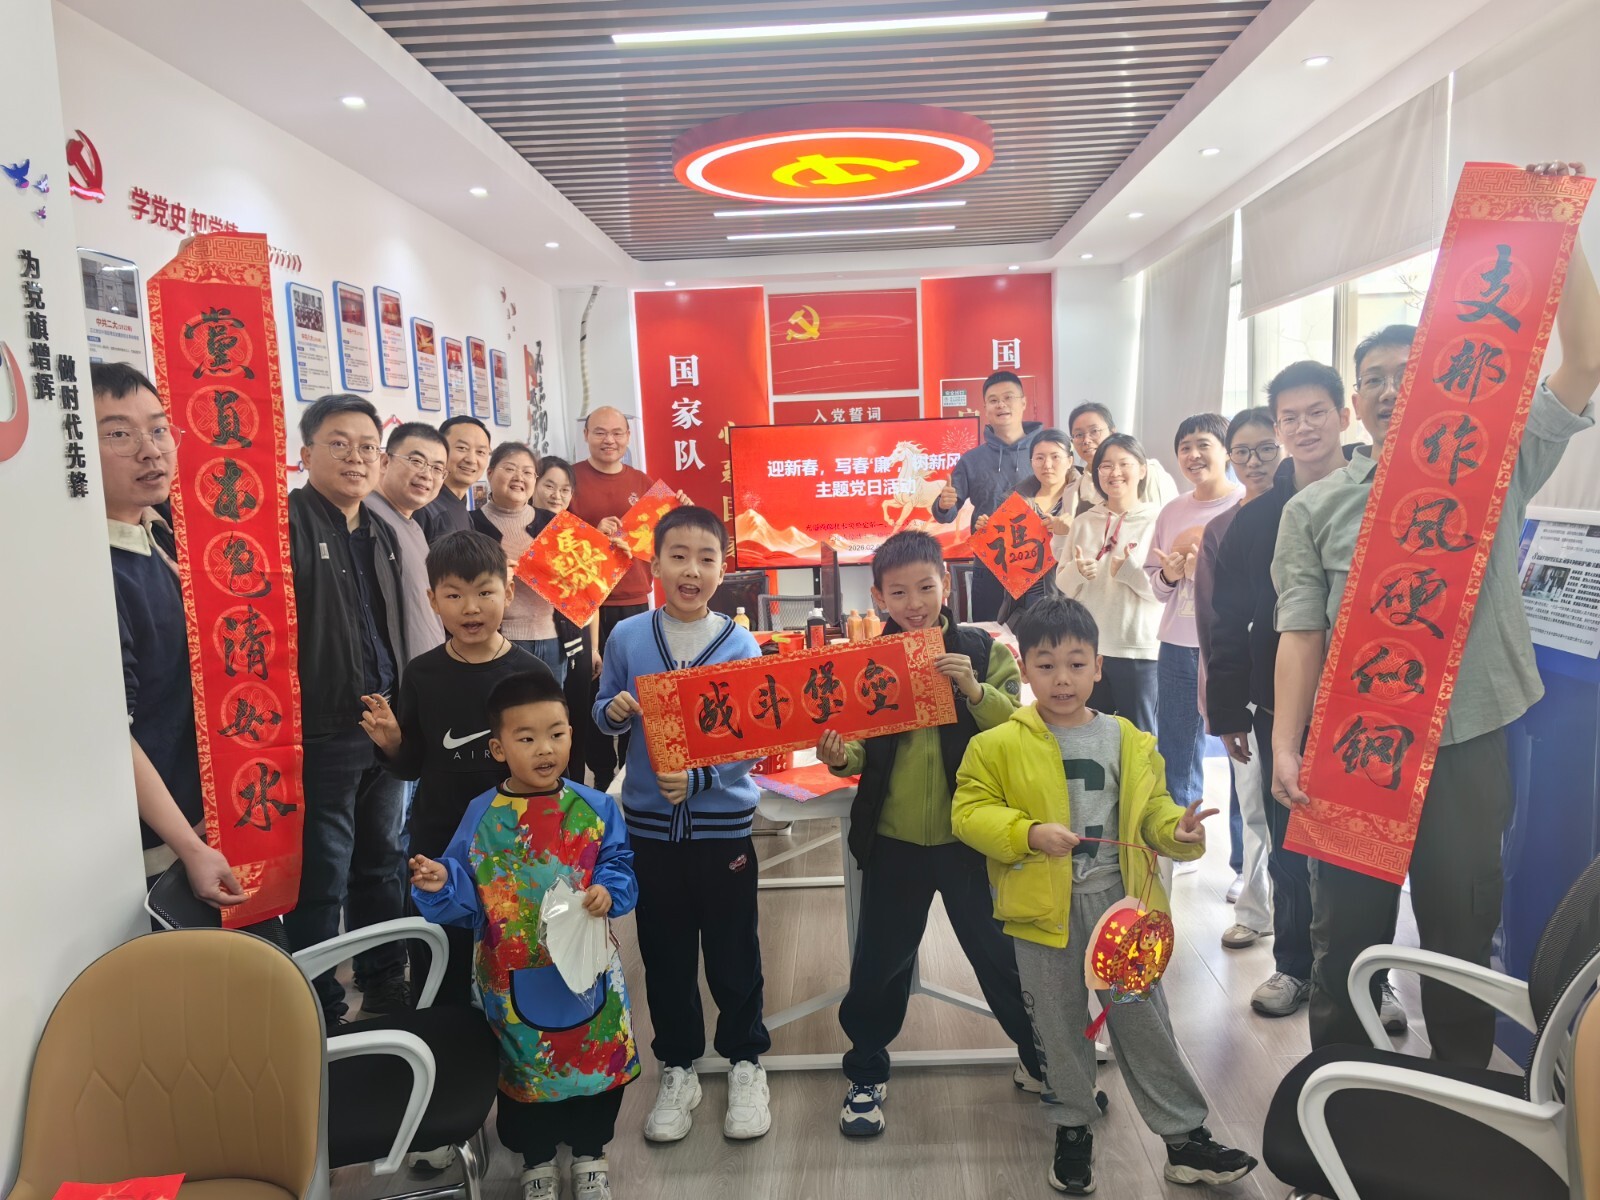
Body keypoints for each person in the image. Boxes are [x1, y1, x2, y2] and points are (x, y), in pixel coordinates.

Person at [1272, 167, 1598, 1065]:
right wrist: (1289, 744)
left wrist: (1559, 231)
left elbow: (1584, 361)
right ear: (1355, 402)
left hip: (1468, 736)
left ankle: (1461, 1093)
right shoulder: (1315, 509)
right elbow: (1301, 632)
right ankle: (1341, 1097)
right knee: (1346, 937)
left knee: (1461, 925)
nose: (1387, 390)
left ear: (1441, 375)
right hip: (1356, 742)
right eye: (1370, 380)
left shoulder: (1495, 464)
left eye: (1403, 371)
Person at [950, 596, 1257, 1194]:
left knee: (1144, 1020)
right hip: (1041, 913)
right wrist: (1027, 833)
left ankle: (1185, 1138)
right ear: (1024, 670)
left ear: (1098, 667)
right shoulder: (997, 745)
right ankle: (1072, 1126)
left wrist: (1176, 832)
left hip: (1119, 909)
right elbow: (968, 811)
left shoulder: (1128, 740)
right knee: (1057, 1024)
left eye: (1075, 663)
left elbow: (1153, 813)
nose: (1062, 679)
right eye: (1046, 666)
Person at [814, 529, 1041, 1137]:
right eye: (898, 592)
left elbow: (1019, 729)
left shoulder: (982, 650)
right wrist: (838, 756)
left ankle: (1041, 1057)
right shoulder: (867, 662)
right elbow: (858, 748)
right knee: (879, 964)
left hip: (972, 840)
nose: (914, 603)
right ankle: (866, 1071)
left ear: (946, 584)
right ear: (878, 597)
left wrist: (974, 689)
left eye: (925, 587)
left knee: (1000, 955)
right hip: (893, 842)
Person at [410, 670, 637, 1200]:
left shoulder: (596, 807)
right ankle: (536, 1162)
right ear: (498, 748)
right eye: (527, 738)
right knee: (521, 1067)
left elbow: (620, 863)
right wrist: (442, 881)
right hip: (509, 976)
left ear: (572, 734)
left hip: (588, 971)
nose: (545, 749)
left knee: (594, 1063)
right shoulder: (482, 815)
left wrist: (607, 889)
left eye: (556, 734)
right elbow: (466, 889)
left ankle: (590, 1154)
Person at [592, 506, 772, 1143]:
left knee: (733, 950)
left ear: (723, 570)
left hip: (722, 827)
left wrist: (703, 779)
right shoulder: (628, 637)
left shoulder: (740, 645)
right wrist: (613, 712)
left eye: (705, 558)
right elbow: (601, 710)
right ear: (655, 565)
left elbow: (755, 735)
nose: (691, 570)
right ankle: (678, 1066)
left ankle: (746, 1061)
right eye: (678, 556)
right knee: (664, 953)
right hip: (648, 827)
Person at [1206, 363, 1369, 1021]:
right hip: (1283, 705)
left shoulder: (1379, 498)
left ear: (1343, 415)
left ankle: (1371, 980)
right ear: (1278, 428)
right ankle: (1295, 967)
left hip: (1370, 705)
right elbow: (1227, 621)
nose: (1304, 428)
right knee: (1292, 847)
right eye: (1290, 418)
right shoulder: (1255, 521)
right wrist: (1228, 708)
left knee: (1365, 853)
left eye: (1317, 413)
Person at [358, 530, 551, 1006]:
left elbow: (551, 768)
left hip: (513, 838)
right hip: (440, 840)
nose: (470, 608)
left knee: (514, 950)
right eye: (454, 595)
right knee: (440, 951)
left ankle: (513, 1042)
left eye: (484, 592)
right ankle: (441, 1039)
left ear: (508, 592)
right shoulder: (422, 674)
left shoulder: (531, 674)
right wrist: (393, 743)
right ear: (432, 600)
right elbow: (412, 766)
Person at [93, 362, 244, 908]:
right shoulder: (93, 570)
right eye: (118, 434)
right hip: (152, 848)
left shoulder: (159, 536)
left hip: (200, 813)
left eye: (158, 429)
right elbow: (111, 731)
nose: (150, 450)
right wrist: (188, 845)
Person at [285, 393, 411, 1023]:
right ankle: (320, 1007)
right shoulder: (285, 523)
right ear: (305, 453)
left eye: (367, 447)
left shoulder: (380, 532)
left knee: (381, 865)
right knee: (323, 876)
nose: (355, 458)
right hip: (321, 731)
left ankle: (384, 984)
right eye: (338, 444)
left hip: (383, 725)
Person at [1194, 409, 1279, 953]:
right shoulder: (1221, 528)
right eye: (1243, 452)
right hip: (1247, 690)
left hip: (1306, 687)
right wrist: (1219, 700)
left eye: (1266, 449)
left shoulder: (1307, 506)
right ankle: (1255, 908)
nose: (1255, 461)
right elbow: (1213, 623)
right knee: (1254, 805)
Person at [1145, 414, 1242, 826]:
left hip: (1230, 646)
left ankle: (1243, 853)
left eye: (1203, 444)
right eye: (1185, 447)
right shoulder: (1172, 511)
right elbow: (1157, 586)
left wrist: (1205, 572)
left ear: (1226, 451)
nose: (1193, 455)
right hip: (1177, 646)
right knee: (1177, 749)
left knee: (1243, 752)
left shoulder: (1245, 503)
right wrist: (1170, 575)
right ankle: (1181, 835)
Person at [568, 406, 654, 791]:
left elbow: (658, 540)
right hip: (587, 603)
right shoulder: (570, 479)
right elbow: (554, 538)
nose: (609, 440)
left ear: (628, 437)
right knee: (594, 689)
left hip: (635, 598)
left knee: (636, 686)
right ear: (586, 435)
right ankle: (601, 775)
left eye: (617, 433)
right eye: (600, 432)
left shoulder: (642, 482)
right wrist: (593, 532)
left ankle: (631, 769)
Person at [1055, 434, 1163, 733]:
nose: (1115, 472)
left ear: (1142, 469)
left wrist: (1130, 572)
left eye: (1124, 464)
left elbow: (1163, 591)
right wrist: (1077, 571)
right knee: (1092, 731)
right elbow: (1063, 583)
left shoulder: (1158, 520)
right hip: (1088, 648)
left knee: (1140, 736)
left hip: (1137, 648)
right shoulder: (1084, 521)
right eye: (1106, 466)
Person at [930, 370, 1042, 621]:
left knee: (1040, 638)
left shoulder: (1044, 452)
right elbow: (946, 513)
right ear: (985, 409)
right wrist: (944, 504)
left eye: (1008, 397)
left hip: (1038, 568)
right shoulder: (971, 460)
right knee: (990, 638)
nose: (1001, 404)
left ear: (1023, 402)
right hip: (990, 567)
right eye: (993, 400)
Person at [470, 442, 568, 682]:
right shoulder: (471, 524)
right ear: (490, 473)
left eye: (527, 472)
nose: (519, 477)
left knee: (551, 705)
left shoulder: (552, 522)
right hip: (501, 639)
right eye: (510, 468)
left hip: (553, 638)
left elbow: (579, 580)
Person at [366, 422, 449, 662]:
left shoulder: (413, 524)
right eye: (416, 461)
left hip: (426, 670)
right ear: (385, 462)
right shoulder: (367, 518)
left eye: (437, 468)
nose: (426, 474)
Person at [998, 428, 1078, 627]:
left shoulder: (1087, 498)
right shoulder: (1014, 500)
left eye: (1055, 457)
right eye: (1039, 458)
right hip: (1024, 603)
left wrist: (1067, 533)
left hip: (1070, 600)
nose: (1047, 465)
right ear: (1031, 461)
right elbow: (1005, 557)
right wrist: (991, 531)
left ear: (1070, 460)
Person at [1067, 402, 1178, 515]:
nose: (1086, 440)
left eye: (1094, 431)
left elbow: (1170, 519)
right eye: (1079, 435)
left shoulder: (1148, 473)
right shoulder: (1076, 489)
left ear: (1112, 432)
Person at [420, 415, 491, 541]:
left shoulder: (460, 506)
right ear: (440, 449)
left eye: (480, 452)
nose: (471, 460)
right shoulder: (423, 507)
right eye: (462, 448)